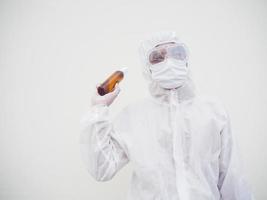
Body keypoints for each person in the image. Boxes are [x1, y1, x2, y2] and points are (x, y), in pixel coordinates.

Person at [80, 31, 253, 200]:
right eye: (158, 57)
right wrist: (98, 110)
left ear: (186, 60)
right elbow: (102, 169)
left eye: (177, 54)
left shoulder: (213, 111)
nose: (169, 62)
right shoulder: (133, 117)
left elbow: (233, 179)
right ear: (148, 67)